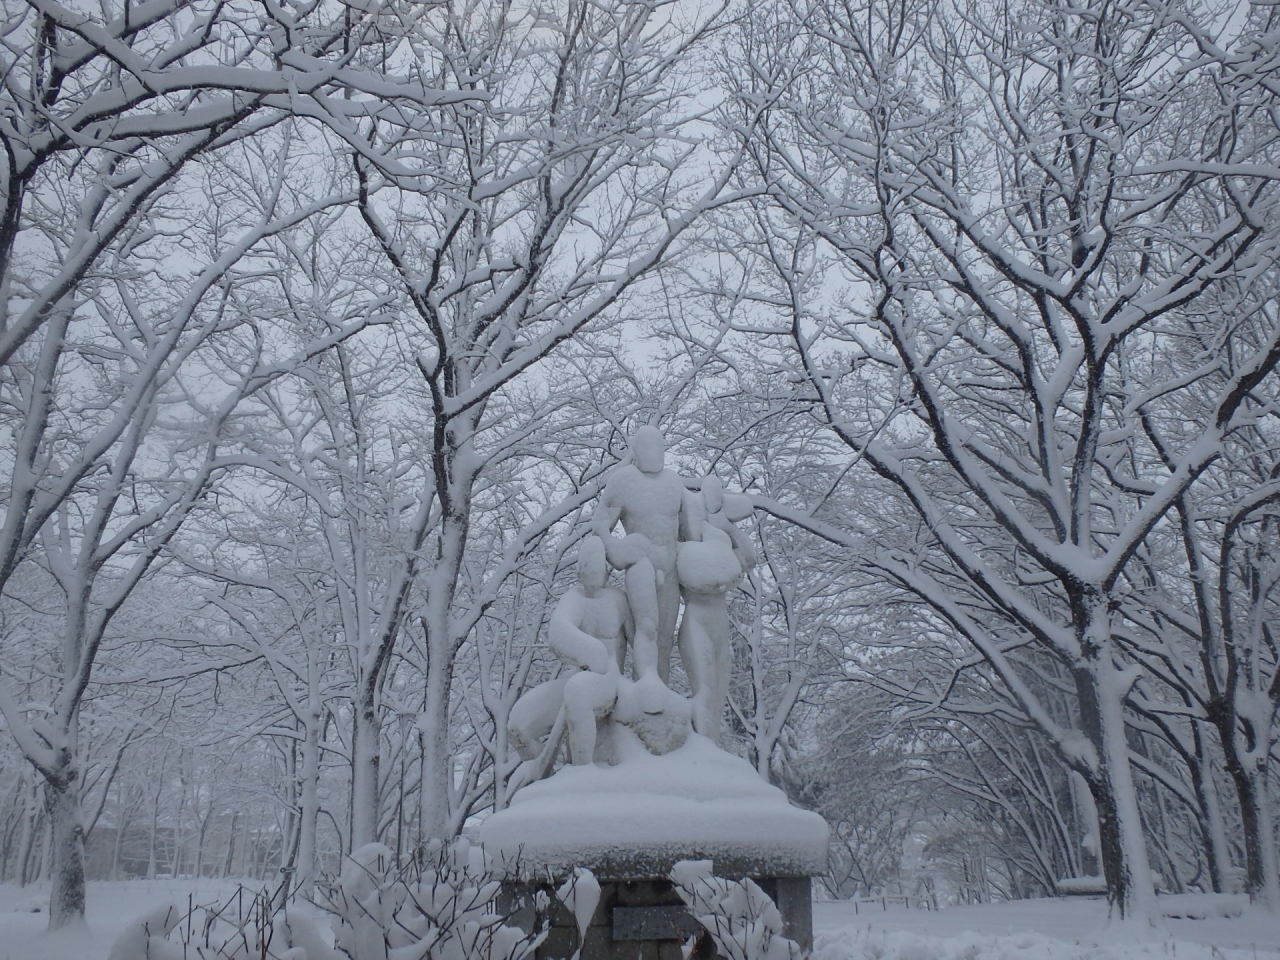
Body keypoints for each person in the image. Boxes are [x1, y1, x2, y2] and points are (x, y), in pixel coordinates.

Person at [508, 537, 631, 764]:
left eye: (596, 562)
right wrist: (593, 652)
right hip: (579, 678)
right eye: (586, 563)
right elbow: (559, 633)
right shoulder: (574, 598)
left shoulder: (617, 600)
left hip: (609, 679)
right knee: (518, 726)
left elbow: (643, 641)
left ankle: (580, 771)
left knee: (578, 692)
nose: (591, 568)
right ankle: (547, 774)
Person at [592, 425, 687, 685]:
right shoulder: (624, 481)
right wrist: (616, 551)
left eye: (660, 448)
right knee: (647, 630)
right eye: (648, 447)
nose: (655, 453)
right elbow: (600, 527)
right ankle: (645, 691)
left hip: (670, 570)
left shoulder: (673, 482)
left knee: (666, 639)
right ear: (636, 451)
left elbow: (690, 530)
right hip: (641, 565)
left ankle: (661, 695)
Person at [676, 475, 755, 740]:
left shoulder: (721, 541)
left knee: (720, 690)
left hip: (719, 623)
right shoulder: (682, 550)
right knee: (706, 687)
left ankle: (711, 745)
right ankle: (703, 744)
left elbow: (750, 559)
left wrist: (729, 529)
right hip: (696, 621)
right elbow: (699, 579)